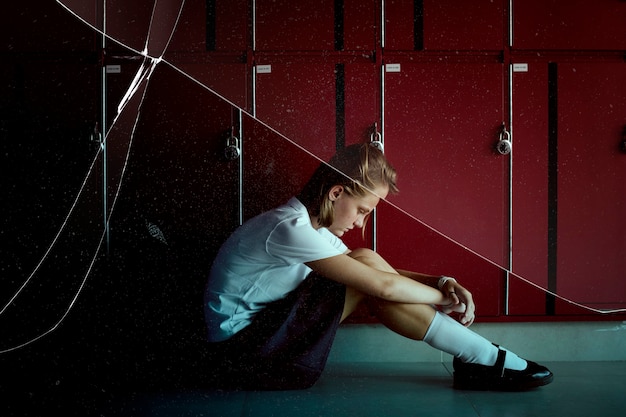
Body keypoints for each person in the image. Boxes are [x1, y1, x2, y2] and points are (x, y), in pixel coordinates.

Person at [204, 143, 553, 391]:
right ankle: (483, 358)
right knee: (364, 271)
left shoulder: (307, 226)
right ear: (336, 193)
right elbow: (380, 286)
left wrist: (444, 280)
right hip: (247, 357)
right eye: (362, 210)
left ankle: (480, 358)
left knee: (363, 259)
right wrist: (444, 298)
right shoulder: (289, 228)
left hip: (265, 339)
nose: (360, 223)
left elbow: (376, 272)